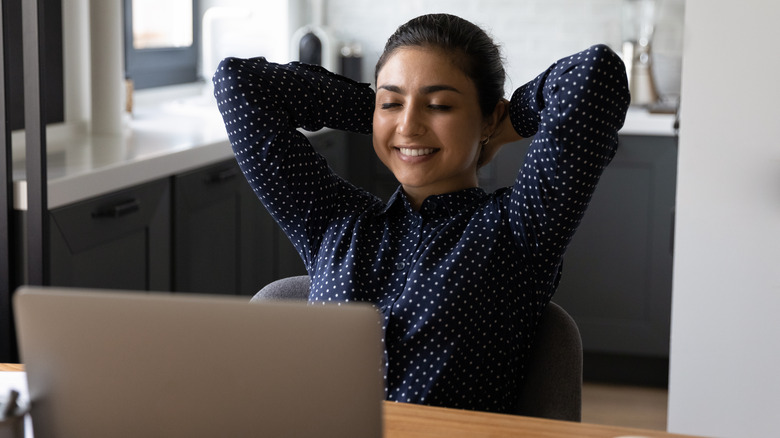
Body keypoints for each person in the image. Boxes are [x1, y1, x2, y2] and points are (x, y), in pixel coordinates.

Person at [213, 13, 629, 414]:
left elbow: (594, 76)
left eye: (439, 106)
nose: (410, 126)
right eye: (392, 103)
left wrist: (505, 122)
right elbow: (238, 84)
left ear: (489, 117)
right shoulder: (334, 224)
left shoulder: (518, 230)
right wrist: (382, 114)